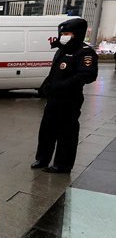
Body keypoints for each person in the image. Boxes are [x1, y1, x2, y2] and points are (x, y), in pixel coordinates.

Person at [31, 18, 98, 173]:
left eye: (67, 33)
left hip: (69, 100)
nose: (63, 36)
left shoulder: (85, 53)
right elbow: (55, 71)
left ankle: (62, 164)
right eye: (62, 33)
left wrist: (62, 85)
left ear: (77, 34)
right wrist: (48, 85)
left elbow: (87, 75)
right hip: (54, 98)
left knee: (66, 133)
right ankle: (42, 159)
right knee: (47, 129)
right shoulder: (62, 50)